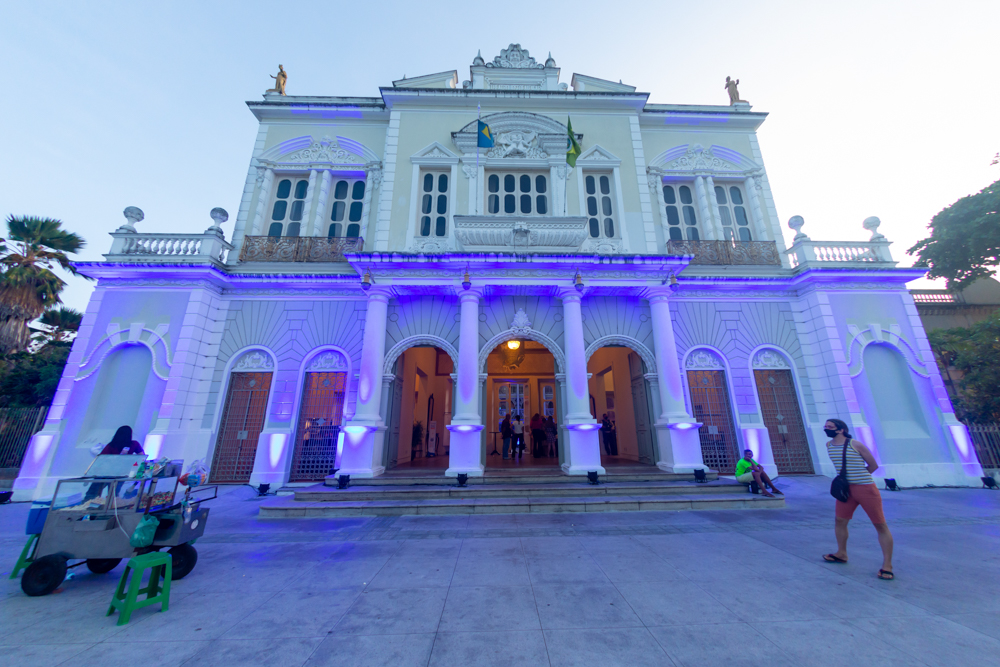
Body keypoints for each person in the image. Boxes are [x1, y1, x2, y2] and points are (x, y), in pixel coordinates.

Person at [822, 418, 894, 580]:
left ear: (840, 430)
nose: (826, 429)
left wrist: (859, 478)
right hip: (846, 490)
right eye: (825, 427)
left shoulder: (856, 445)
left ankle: (887, 565)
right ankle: (841, 553)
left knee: (880, 524)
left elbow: (873, 466)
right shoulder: (829, 446)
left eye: (830, 427)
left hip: (865, 489)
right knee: (840, 521)